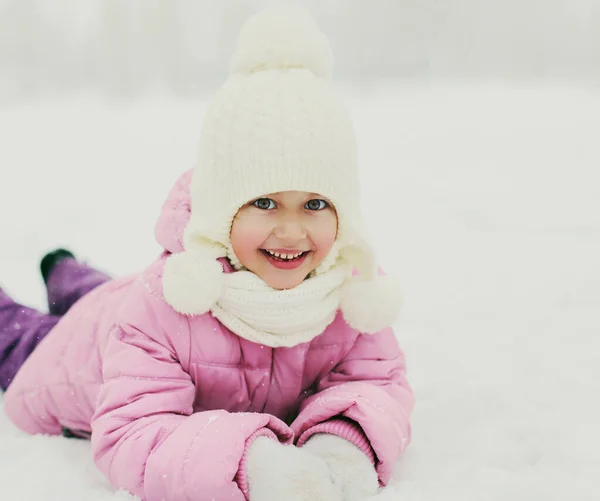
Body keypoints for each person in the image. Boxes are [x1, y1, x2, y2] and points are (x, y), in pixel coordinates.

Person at [1, 8, 414, 501]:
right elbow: (133, 434)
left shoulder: (351, 288)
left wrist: (341, 445)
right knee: (25, 336)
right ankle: (65, 281)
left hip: (120, 302)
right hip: (83, 349)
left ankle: (69, 273)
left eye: (315, 204)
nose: (291, 230)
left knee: (105, 292)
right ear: (220, 212)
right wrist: (252, 465)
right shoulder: (165, 304)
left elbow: (378, 384)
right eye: (263, 202)